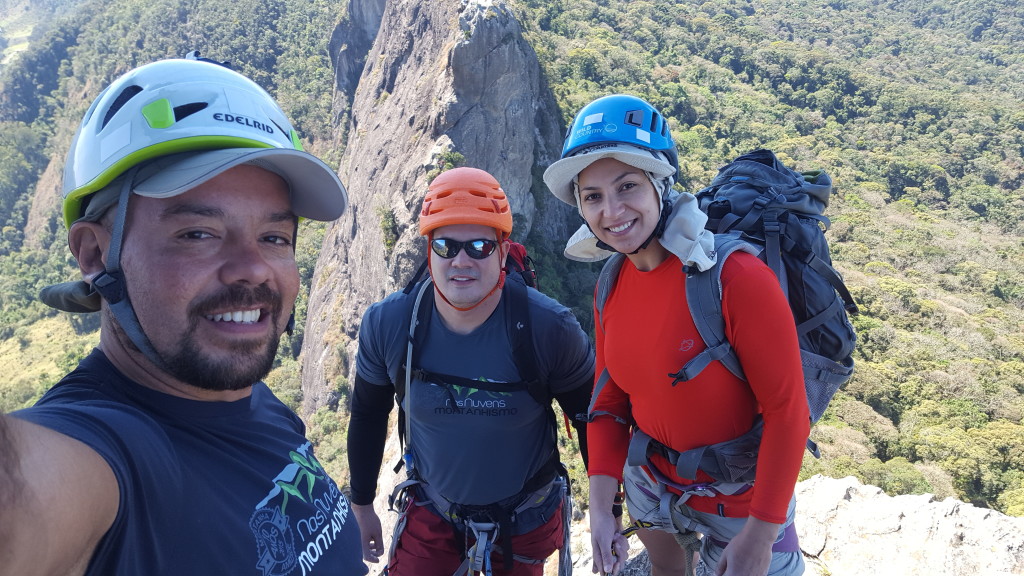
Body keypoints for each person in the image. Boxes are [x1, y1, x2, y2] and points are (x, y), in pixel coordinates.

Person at [0, 54, 367, 576]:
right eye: (198, 234)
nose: (253, 271)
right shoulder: (111, 456)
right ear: (95, 254)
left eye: (274, 237)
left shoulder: (254, 401)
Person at [543, 94, 810, 576]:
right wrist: (601, 511)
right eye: (593, 196)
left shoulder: (735, 278)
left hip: (742, 497)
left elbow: (788, 412)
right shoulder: (611, 283)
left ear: (661, 185)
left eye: (628, 186)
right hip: (654, 483)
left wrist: (762, 534)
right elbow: (609, 403)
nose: (612, 211)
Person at [347, 166, 595, 576]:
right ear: (428, 251)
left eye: (479, 245)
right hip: (434, 511)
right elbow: (370, 413)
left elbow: (591, 418)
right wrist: (361, 505)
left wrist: (608, 509)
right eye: (445, 245)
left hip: (525, 519)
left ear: (502, 250)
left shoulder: (548, 328)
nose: (461, 260)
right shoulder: (391, 324)